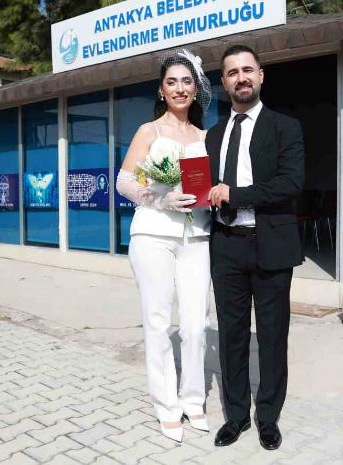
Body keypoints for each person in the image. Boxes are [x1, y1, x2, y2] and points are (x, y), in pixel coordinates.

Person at [206, 45, 305, 450]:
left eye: (248, 70)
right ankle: (235, 416)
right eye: (232, 72)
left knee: (272, 335)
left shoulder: (285, 127)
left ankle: (268, 416)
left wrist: (236, 195)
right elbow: (205, 189)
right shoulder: (213, 135)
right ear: (224, 82)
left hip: (271, 244)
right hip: (225, 245)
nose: (241, 77)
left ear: (261, 76)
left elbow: (290, 183)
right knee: (231, 335)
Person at [115, 50, 213, 443]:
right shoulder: (148, 132)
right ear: (161, 89)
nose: (179, 88)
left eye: (186, 81)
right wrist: (159, 199)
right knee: (158, 323)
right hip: (153, 233)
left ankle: (192, 399)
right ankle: (166, 405)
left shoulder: (206, 136)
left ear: (196, 89)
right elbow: (124, 181)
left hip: (197, 237)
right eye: (171, 81)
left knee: (195, 324)